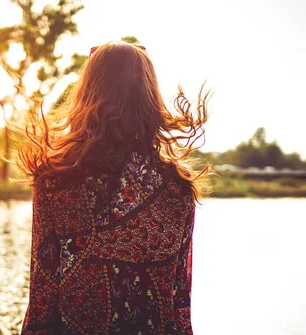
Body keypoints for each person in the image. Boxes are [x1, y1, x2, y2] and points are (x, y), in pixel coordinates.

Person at [16, 41, 211, 335]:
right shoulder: (178, 189)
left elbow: (42, 298)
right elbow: (179, 307)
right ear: (148, 97)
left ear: (88, 94)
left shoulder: (57, 181)